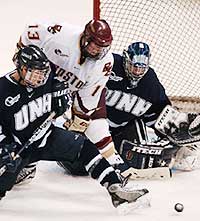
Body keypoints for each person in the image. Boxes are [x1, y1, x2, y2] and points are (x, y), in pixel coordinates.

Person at [0, 45, 149, 209]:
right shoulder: (3, 90)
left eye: (42, 74)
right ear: (21, 68)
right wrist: (4, 148)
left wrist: (62, 100)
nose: (39, 80)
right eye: (34, 74)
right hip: (18, 148)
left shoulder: (47, 77)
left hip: (48, 137)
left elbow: (61, 93)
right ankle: (23, 170)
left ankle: (116, 190)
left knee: (85, 148)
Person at [15, 19, 124, 184]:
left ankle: (114, 163)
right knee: (26, 118)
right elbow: (30, 31)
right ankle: (28, 166)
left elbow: (89, 96)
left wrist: (79, 119)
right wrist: (22, 57)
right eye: (95, 46)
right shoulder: (61, 35)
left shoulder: (105, 62)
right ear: (86, 38)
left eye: (102, 48)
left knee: (95, 125)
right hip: (41, 82)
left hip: (71, 91)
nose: (98, 52)